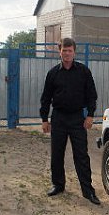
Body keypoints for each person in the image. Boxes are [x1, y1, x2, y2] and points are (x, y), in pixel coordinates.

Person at [40, 37, 100, 205]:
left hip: (76, 119)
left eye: (70, 51)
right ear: (59, 52)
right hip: (58, 118)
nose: (67, 54)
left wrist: (90, 115)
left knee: (81, 155)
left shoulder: (83, 72)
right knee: (57, 154)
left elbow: (91, 95)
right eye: (64, 51)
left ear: (74, 52)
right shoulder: (53, 73)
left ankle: (88, 191)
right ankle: (58, 185)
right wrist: (45, 119)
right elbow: (45, 98)